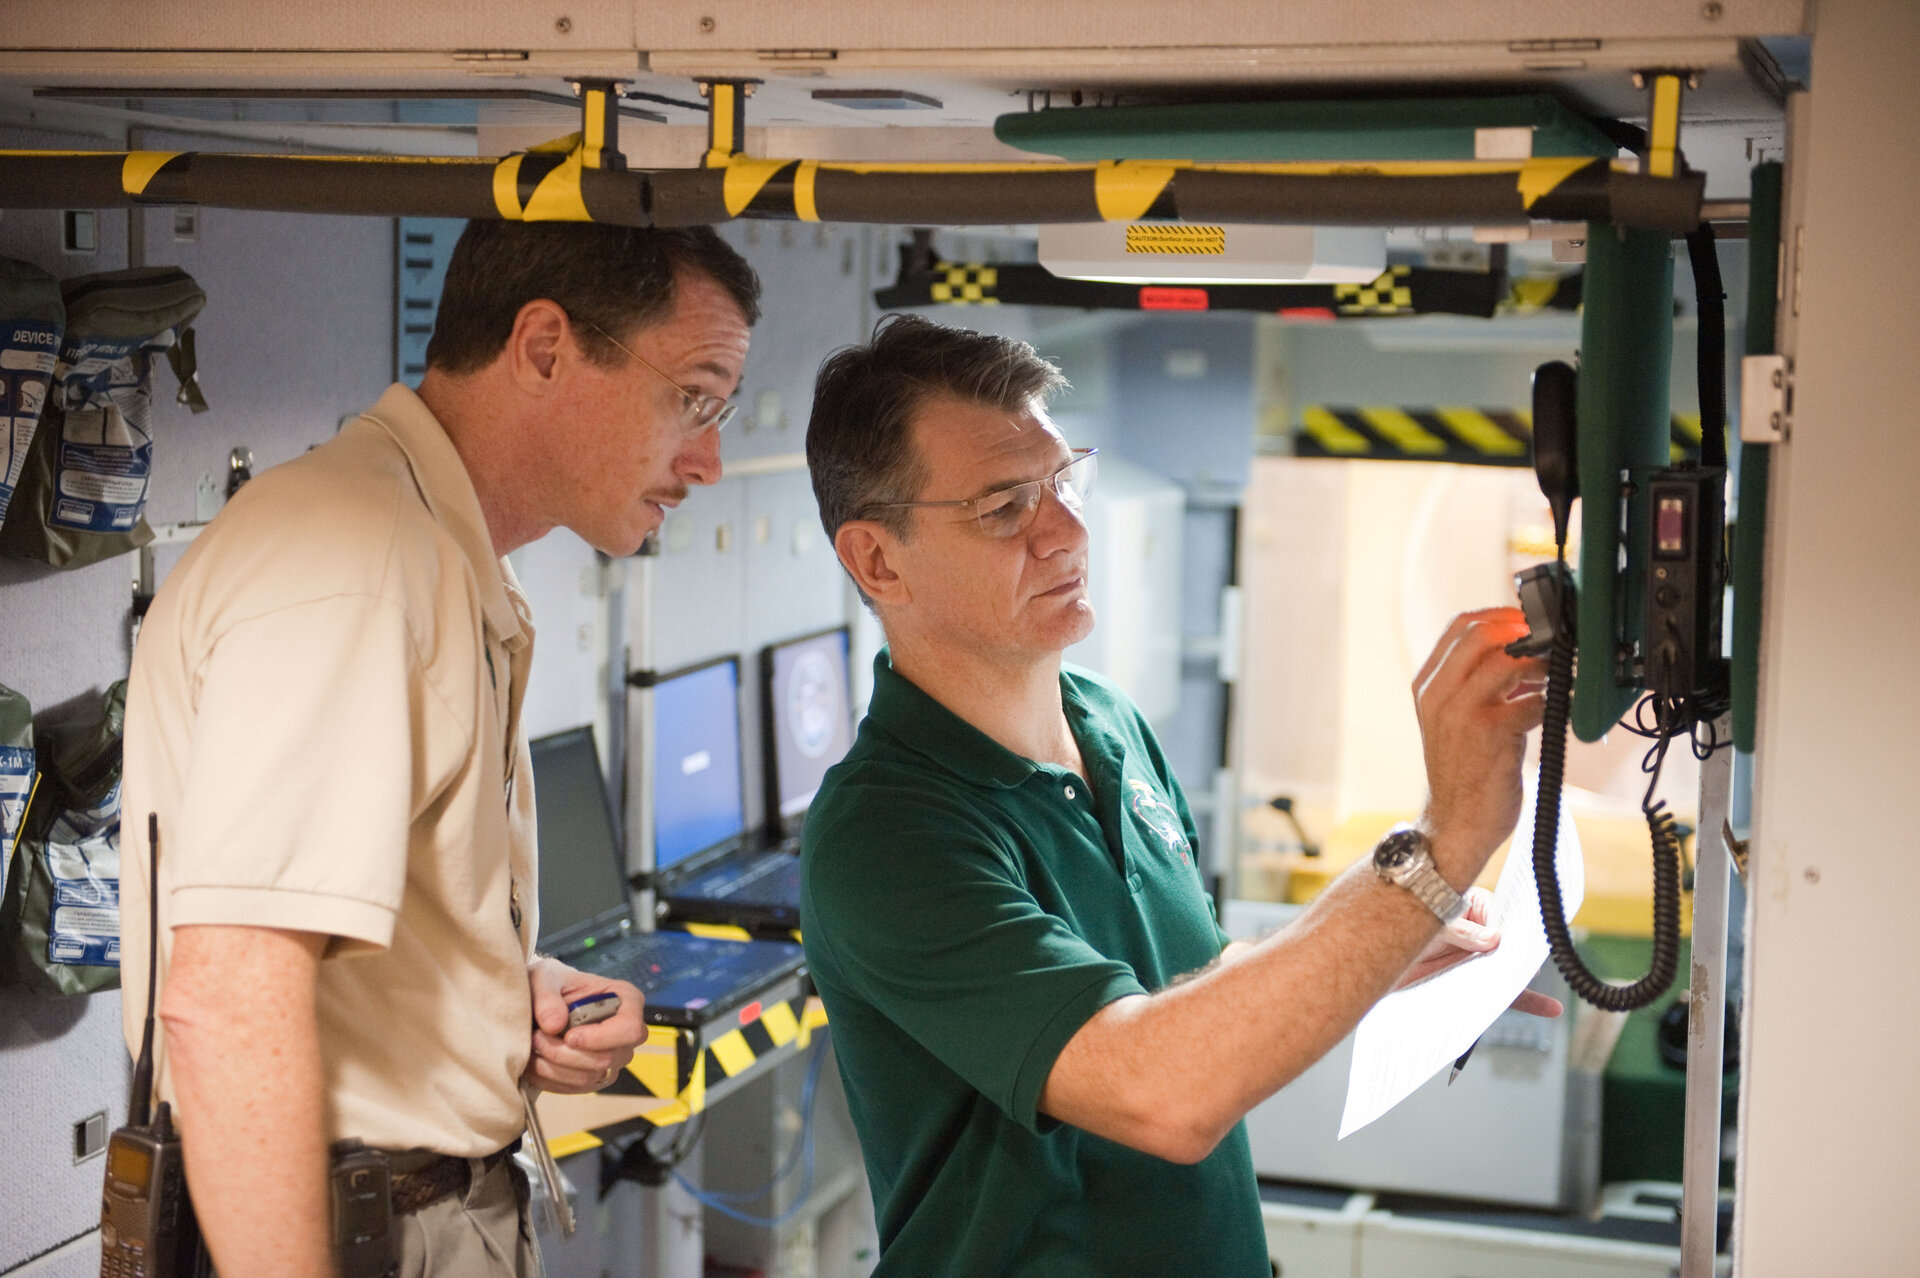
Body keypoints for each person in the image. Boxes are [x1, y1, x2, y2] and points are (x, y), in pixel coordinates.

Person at [799, 314, 1560, 1277]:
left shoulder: (1109, 724)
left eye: (1064, 480)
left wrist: (1381, 945)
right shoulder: (888, 834)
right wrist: (1441, 842)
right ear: (877, 560)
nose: (1069, 529)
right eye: (1003, 508)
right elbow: (1161, 1089)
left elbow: (1180, 983)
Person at [121, 221, 761, 1277]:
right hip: (355, 1228)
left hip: (408, 1209)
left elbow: (318, 940)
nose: (710, 460)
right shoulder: (355, 565)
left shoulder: (429, 551)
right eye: (694, 397)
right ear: (545, 347)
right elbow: (229, 999)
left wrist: (495, 995)